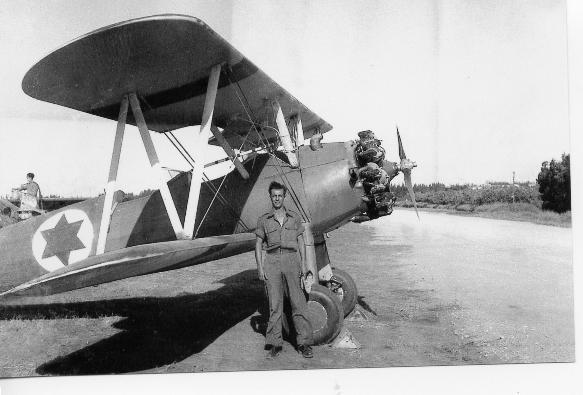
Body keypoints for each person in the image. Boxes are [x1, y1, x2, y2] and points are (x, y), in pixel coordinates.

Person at [255, 181, 314, 359]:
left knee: (298, 303)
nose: (277, 199)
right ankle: (275, 344)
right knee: (275, 306)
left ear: (284, 196)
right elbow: (258, 244)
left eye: (280, 195)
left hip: (291, 261)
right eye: (274, 196)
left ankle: (304, 344)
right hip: (272, 261)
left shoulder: (294, 218)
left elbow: (301, 242)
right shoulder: (264, 220)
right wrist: (260, 267)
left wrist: (303, 265)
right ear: (270, 197)